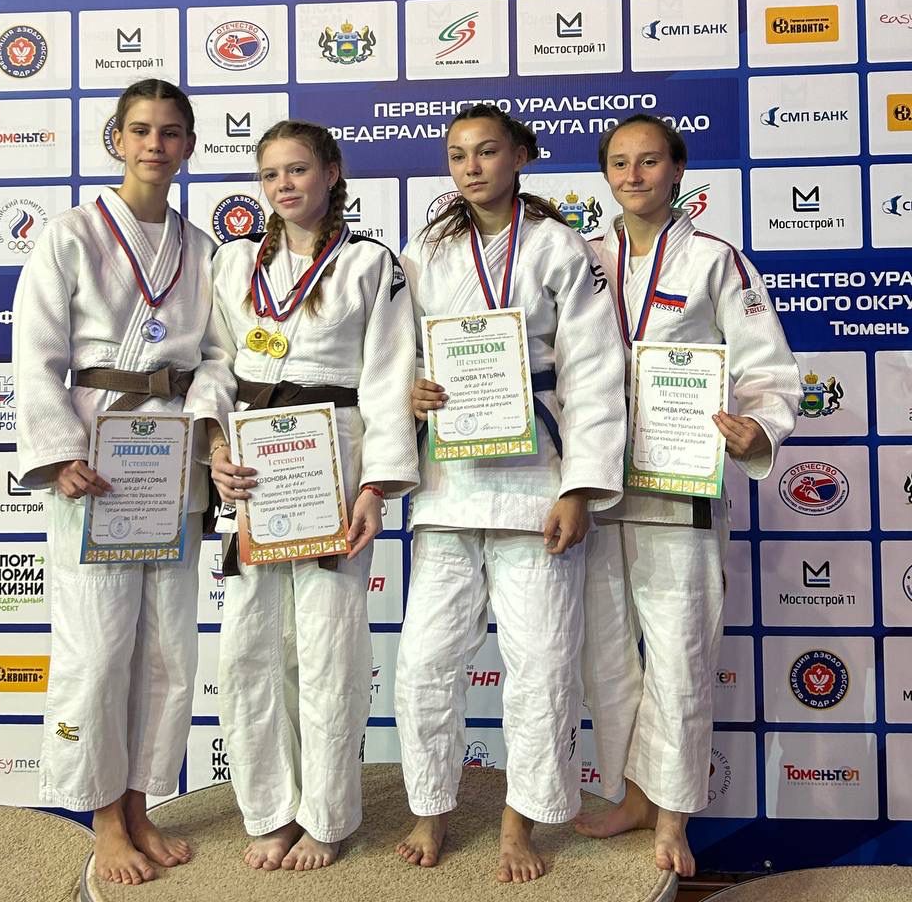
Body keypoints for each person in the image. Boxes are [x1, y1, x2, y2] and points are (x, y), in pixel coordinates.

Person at [393, 104, 628, 884]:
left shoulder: (560, 247)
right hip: (449, 481)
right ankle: (430, 806)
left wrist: (580, 488)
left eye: (487, 151)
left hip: (536, 481)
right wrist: (411, 389)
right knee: (424, 661)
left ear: (520, 156)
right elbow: (392, 349)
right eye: (458, 154)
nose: (472, 166)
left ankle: (518, 820)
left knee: (544, 663)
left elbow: (594, 370)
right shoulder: (426, 251)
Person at [13, 79, 233, 886]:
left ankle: (140, 805)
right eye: (140, 130)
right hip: (97, 457)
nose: (154, 144)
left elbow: (219, 358)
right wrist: (57, 450)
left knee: (168, 648)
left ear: (189, 145)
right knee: (100, 647)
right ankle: (104, 818)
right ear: (116, 139)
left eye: (171, 132)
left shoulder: (202, 249)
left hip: (170, 457)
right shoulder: (70, 234)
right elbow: (36, 352)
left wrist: (205, 426)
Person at [576, 114, 801, 877]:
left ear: (678, 171)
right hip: (597, 484)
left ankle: (673, 816)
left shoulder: (715, 260)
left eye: (649, 162)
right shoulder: (582, 258)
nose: (633, 175)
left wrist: (758, 427)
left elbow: (765, 366)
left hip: (681, 485)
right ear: (605, 174)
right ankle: (634, 795)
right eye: (619, 163)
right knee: (607, 656)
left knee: (679, 654)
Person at [206, 119, 418, 873]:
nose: (284, 185)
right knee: (249, 647)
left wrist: (376, 485)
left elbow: (389, 377)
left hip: (333, 456)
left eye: (297, 169)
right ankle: (269, 809)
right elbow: (214, 363)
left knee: (330, 645)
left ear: (331, 172)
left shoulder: (369, 263)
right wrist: (215, 447)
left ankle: (325, 815)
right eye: (270, 174)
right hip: (254, 463)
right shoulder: (233, 262)